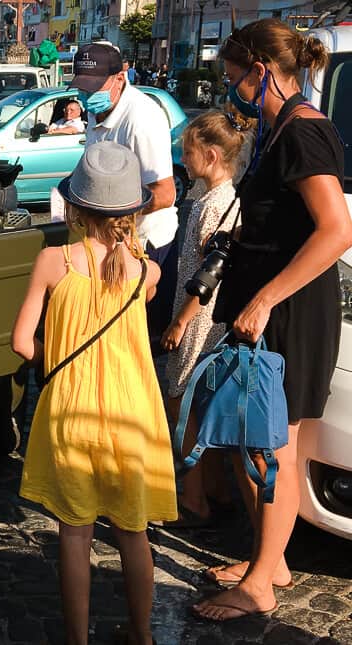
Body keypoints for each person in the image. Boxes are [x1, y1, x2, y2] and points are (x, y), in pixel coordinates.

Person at [191, 18, 352, 622]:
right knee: (255, 443)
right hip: (269, 311)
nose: (231, 91)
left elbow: (338, 229)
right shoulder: (282, 126)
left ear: (261, 72)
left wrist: (263, 299)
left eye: (235, 78)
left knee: (273, 450)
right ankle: (271, 561)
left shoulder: (303, 133)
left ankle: (260, 585)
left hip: (285, 315)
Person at [13, 141, 177, 645]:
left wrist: (56, 352)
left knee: (74, 533)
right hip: (132, 412)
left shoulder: (52, 261)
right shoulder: (147, 272)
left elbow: (21, 344)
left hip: (72, 410)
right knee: (133, 531)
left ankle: (77, 639)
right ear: (131, 212)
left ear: (74, 207)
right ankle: (142, 634)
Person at [160, 109, 253, 527]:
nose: (183, 159)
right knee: (204, 405)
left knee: (183, 404)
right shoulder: (214, 198)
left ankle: (194, 498)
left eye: (189, 152)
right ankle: (214, 490)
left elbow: (209, 275)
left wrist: (179, 320)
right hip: (202, 313)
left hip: (199, 317)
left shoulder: (218, 204)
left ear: (212, 156)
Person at [69, 42, 179, 348]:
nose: (88, 96)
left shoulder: (142, 119)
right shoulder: (99, 109)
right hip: (113, 239)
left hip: (146, 244)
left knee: (137, 341)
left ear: (121, 77)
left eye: (95, 87)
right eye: (83, 87)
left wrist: (106, 211)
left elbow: (165, 194)